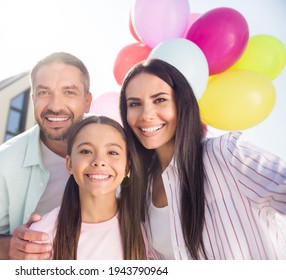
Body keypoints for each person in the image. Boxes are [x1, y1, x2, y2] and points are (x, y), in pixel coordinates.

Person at [119, 58, 286, 260]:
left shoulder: (226, 153)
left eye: (160, 100)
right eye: (135, 104)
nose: (146, 115)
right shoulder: (139, 190)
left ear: (182, 104)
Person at [0, 52, 92, 259]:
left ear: (87, 101)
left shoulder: (118, 148)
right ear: (33, 99)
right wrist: (12, 247)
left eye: (69, 92)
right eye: (44, 93)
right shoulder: (2, 162)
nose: (55, 106)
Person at [30, 115, 150, 259]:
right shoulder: (42, 235)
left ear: (127, 167)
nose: (99, 161)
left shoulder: (147, 230)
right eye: (86, 151)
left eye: (112, 152)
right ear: (69, 164)